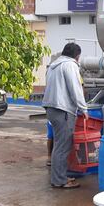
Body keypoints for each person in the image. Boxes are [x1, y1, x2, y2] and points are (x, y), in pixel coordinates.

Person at [42, 42, 87, 189]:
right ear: (77, 55)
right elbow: (75, 88)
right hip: (63, 110)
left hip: (51, 108)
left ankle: (59, 176)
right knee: (62, 146)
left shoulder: (53, 66)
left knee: (58, 145)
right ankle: (59, 180)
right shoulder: (70, 65)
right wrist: (83, 108)